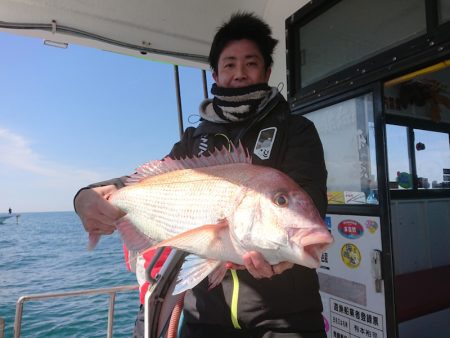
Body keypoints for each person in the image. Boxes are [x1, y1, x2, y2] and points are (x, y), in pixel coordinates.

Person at [74, 12, 327, 338]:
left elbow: (311, 200)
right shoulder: (194, 139)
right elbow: (150, 180)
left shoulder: (297, 131)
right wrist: (89, 194)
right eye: (229, 65)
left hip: (286, 316)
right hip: (206, 314)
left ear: (266, 71)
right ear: (216, 74)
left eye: (250, 64)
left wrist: (286, 255)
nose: (239, 74)